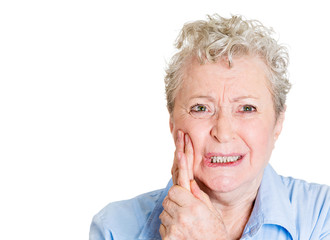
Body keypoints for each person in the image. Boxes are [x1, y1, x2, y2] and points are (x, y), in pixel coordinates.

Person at [89, 14, 330, 240]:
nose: (223, 133)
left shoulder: (322, 214)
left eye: (247, 108)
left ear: (278, 123)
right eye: (201, 108)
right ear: (172, 123)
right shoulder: (114, 227)